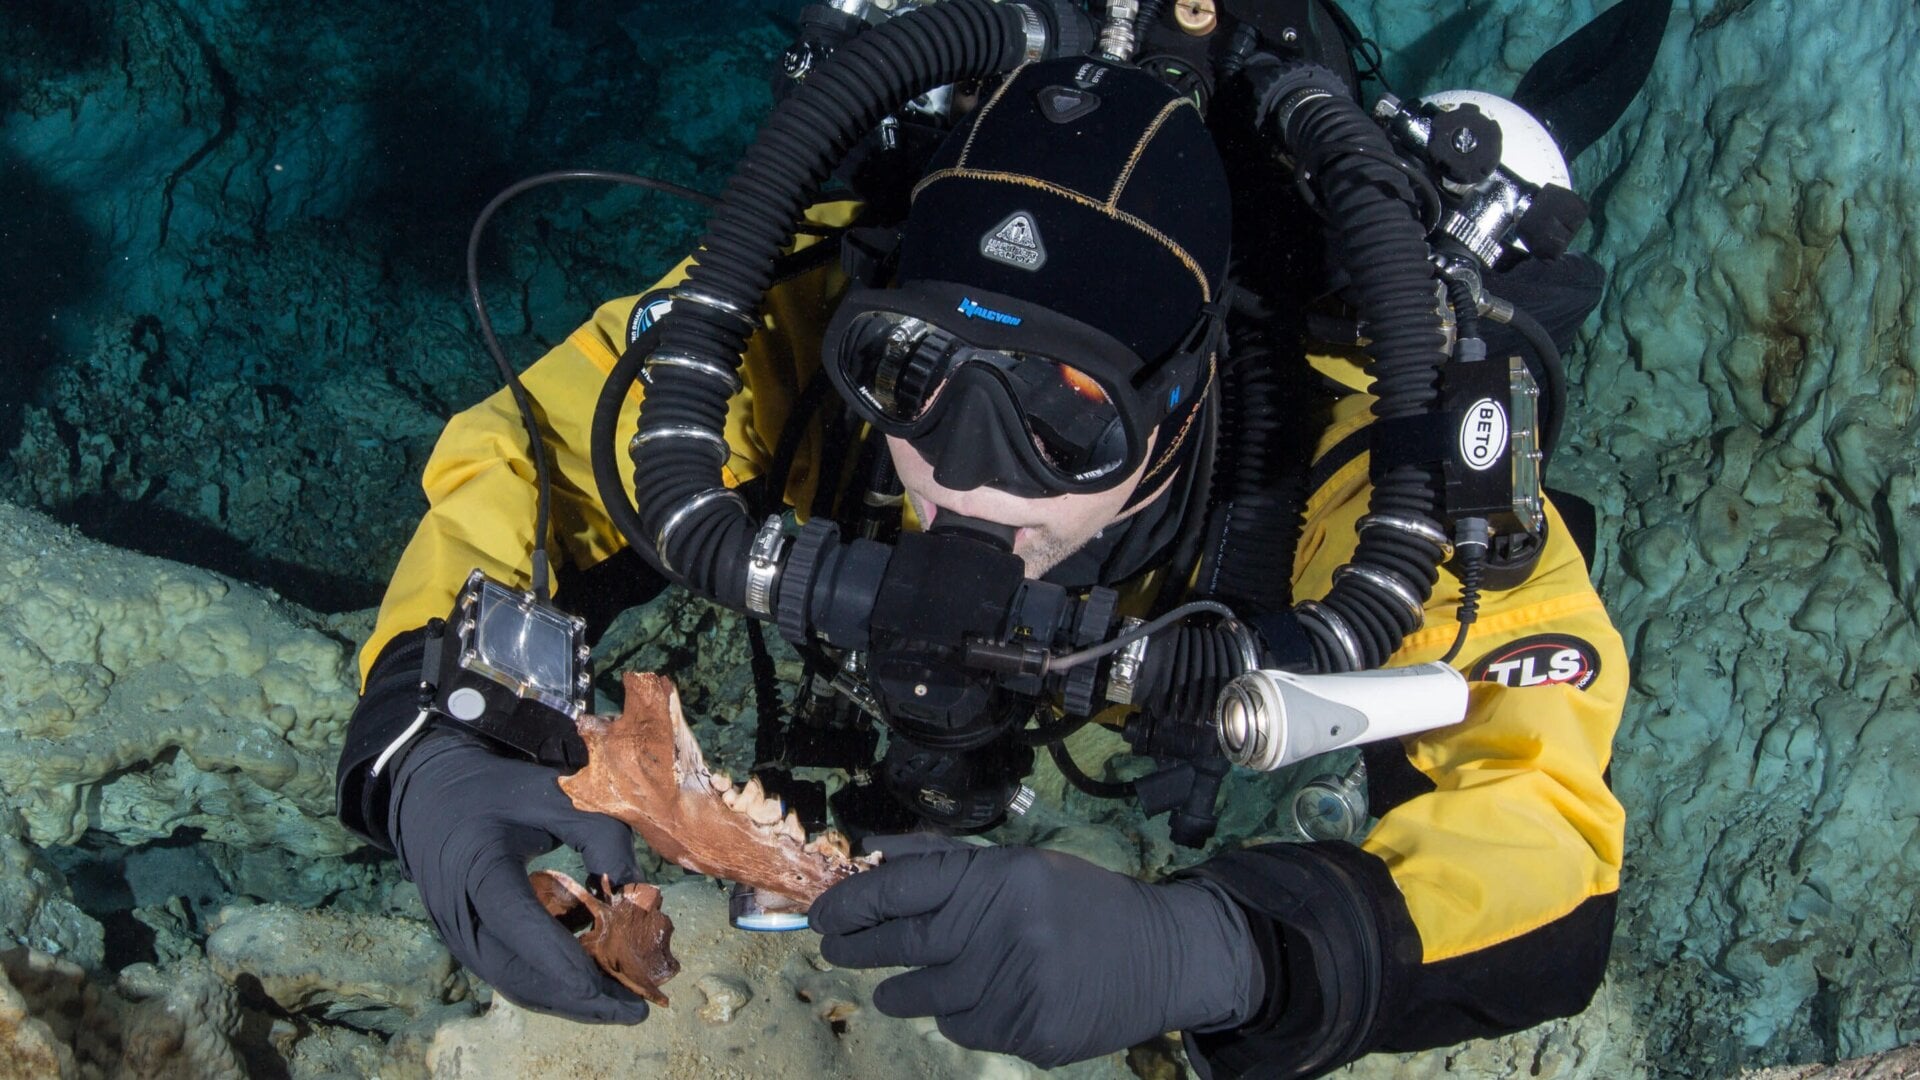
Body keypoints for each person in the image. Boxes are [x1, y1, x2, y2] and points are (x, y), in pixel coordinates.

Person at [335, 28, 1627, 1080]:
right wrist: (431, 733)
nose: (958, 470)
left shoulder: (1353, 453)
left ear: (1186, 394)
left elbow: (1540, 811)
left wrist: (1220, 949)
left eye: (1067, 414)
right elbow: (531, 448)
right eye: (914, 374)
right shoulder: (799, 319)